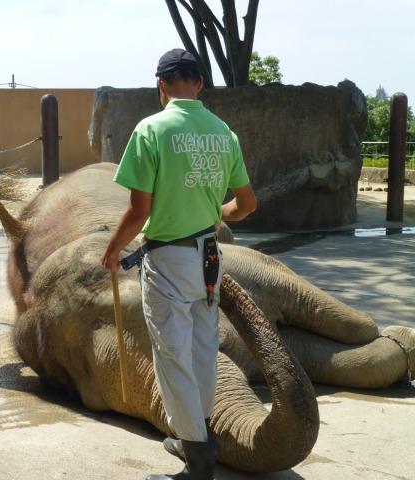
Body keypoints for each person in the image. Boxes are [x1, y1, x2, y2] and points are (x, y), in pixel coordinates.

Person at [101, 49, 257, 480]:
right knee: (204, 351)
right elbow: (247, 204)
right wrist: (214, 213)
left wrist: (114, 248)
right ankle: (195, 433)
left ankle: (198, 458)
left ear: (161, 84)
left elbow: (138, 210)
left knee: (172, 356)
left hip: (168, 259)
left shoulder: (152, 129)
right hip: (209, 257)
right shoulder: (223, 132)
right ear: (200, 84)